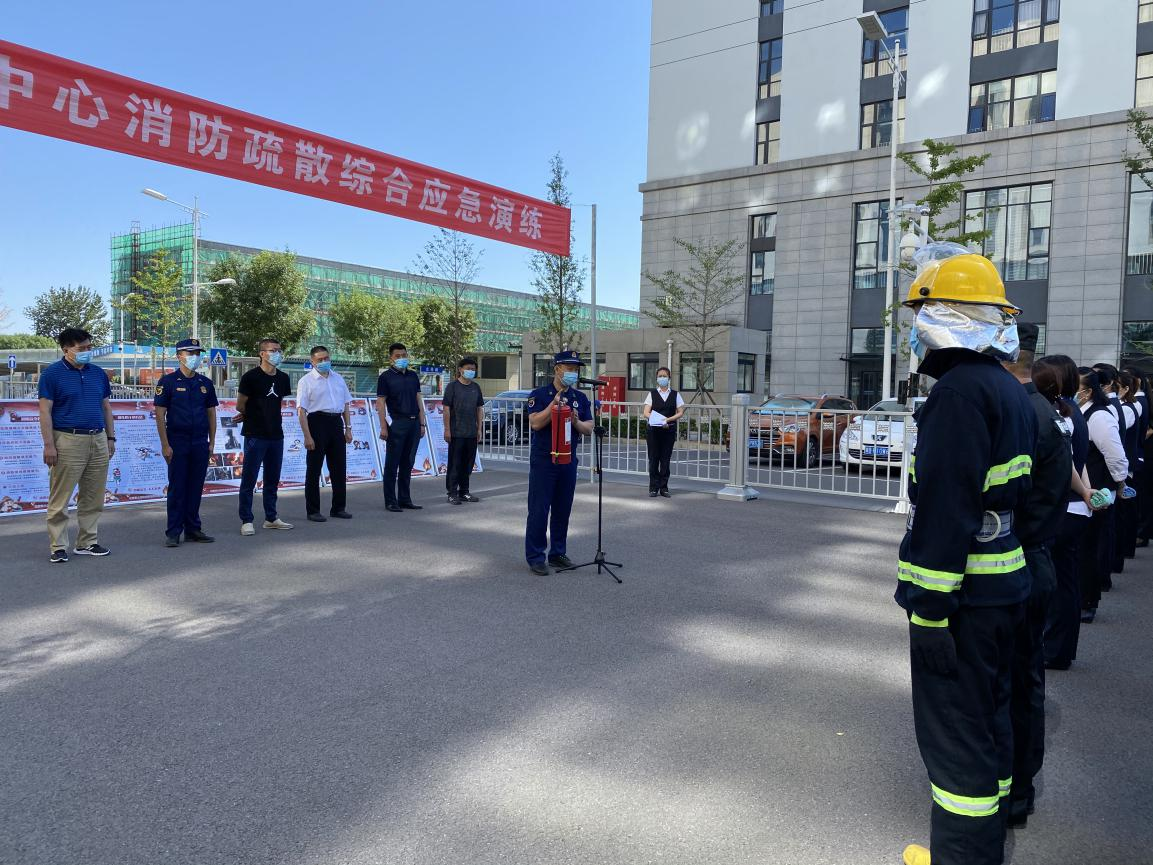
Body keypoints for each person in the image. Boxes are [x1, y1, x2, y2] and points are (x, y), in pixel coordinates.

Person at [895, 249, 1036, 865]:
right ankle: (986, 845)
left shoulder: (957, 394)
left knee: (955, 740)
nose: (915, 328)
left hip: (963, 603)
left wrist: (928, 611)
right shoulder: (1005, 387)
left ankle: (962, 856)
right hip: (1004, 587)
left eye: (921, 314)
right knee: (990, 719)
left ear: (946, 317)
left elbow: (945, 511)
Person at [1001, 325, 1070, 827]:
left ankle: (1013, 790)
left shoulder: (1020, 413)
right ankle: (1018, 788)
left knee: (1012, 682)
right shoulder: (1045, 410)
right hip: (1038, 555)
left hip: (1018, 559)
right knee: (1026, 679)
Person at [1036, 355, 1095, 670]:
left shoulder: (1062, 415)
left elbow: (1065, 464)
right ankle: (1061, 649)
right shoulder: (1073, 412)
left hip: (1064, 510)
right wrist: (1086, 491)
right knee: (1067, 583)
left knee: (1058, 585)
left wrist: (1083, 491)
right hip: (1074, 508)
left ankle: (1055, 650)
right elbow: (1077, 464)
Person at [37, 327, 116, 562]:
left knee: (93, 495)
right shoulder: (52, 375)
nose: (87, 352)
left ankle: (87, 542)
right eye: (81, 348)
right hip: (67, 440)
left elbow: (106, 407)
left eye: (89, 347)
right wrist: (49, 445)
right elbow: (45, 411)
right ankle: (58, 546)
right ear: (66, 350)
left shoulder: (98, 374)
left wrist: (110, 438)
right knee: (60, 497)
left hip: (98, 439)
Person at [524, 350, 595, 575]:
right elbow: (535, 423)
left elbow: (588, 428)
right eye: (569, 369)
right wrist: (553, 406)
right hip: (544, 460)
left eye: (576, 370)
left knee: (563, 509)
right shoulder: (540, 394)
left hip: (567, 460)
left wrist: (575, 421)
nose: (573, 373)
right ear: (557, 369)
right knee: (539, 509)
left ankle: (557, 553)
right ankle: (536, 556)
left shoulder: (579, 398)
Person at [154, 338, 218, 547]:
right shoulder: (168, 382)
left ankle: (193, 529)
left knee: (195, 486)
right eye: (190, 353)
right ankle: (173, 531)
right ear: (179, 356)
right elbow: (160, 415)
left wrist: (211, 442)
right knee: (177, 487)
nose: (195, 357)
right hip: (177, 441)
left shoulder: (204, 383)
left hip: (199, 441)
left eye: (197, 353)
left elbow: (211, 414)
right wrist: (165, 444)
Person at [1076, 368, 1127, 623]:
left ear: (1087, 392)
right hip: (1085, 489)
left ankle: (1088, 601)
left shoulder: (1099, 416)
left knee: (1090, 547)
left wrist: (1119, 484)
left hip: (1097, 490)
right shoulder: (1079, 412)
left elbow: (1115, 455)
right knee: (1083, 547)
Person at [235, 338, 294, 535]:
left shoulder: (283, 378)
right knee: (249, 478)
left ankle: (271, 517)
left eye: (279, 350)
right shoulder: (250, 377)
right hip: (255, 434)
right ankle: (246, 520)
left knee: (272, 478)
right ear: (262, 354)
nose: (277, 353)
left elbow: (277, 402)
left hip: (276, 435)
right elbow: (240, 405)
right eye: (272, 350)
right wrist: (251, 415)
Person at [297, 345, 354, 522]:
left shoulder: (338, 378)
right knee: (314, 469)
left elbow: (346, 404)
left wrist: (348, 428)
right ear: (312, 361)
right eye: (320, 359)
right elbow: (301, 411)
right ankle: (313, 510)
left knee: (339, 468)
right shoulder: (306, 381)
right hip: (317, 422)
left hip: (336, 423)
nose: (324, 362)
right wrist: (307, 436)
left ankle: (338, 508)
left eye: (326, 358)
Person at [376, 342, 427, 512]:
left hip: (414, 423)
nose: (401, 358)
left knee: (408, 463)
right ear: (391, 358)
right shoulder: (385, 377)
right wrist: (383, 427)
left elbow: (418, 399)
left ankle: (405, 499)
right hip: (397, 423)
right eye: (397, 356)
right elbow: (381, 403)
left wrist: (422, 423)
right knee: (392, 463)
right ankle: (390, 501)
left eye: (404, 355)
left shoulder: (413, 375)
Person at [442, 356, 485, 505]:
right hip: (456, 432)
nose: (471, 371)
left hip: (471, 432)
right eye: (468, 369)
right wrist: (447, 429)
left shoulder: (476, 387)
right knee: (455, 464)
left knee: (468, 464)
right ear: (460, 370)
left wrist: (479, 429)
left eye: (473, 369)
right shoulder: (452, 387)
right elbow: (446, 409)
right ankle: (452, 493)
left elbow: (479, 408)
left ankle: (464, 492)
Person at [643, 366, 684, 497]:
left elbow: (681, 412)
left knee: (665, 459)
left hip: (669, 430)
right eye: (660, 376)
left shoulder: (675, 394)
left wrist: (668, 420)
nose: (662, 378)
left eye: (664, 376)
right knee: (653, 459)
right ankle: (653, 487)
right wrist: (658, 420)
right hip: (653, 431)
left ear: (669, 378)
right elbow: (646, 412)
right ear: (656, 378)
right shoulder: (652, 394)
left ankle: (664, 487)